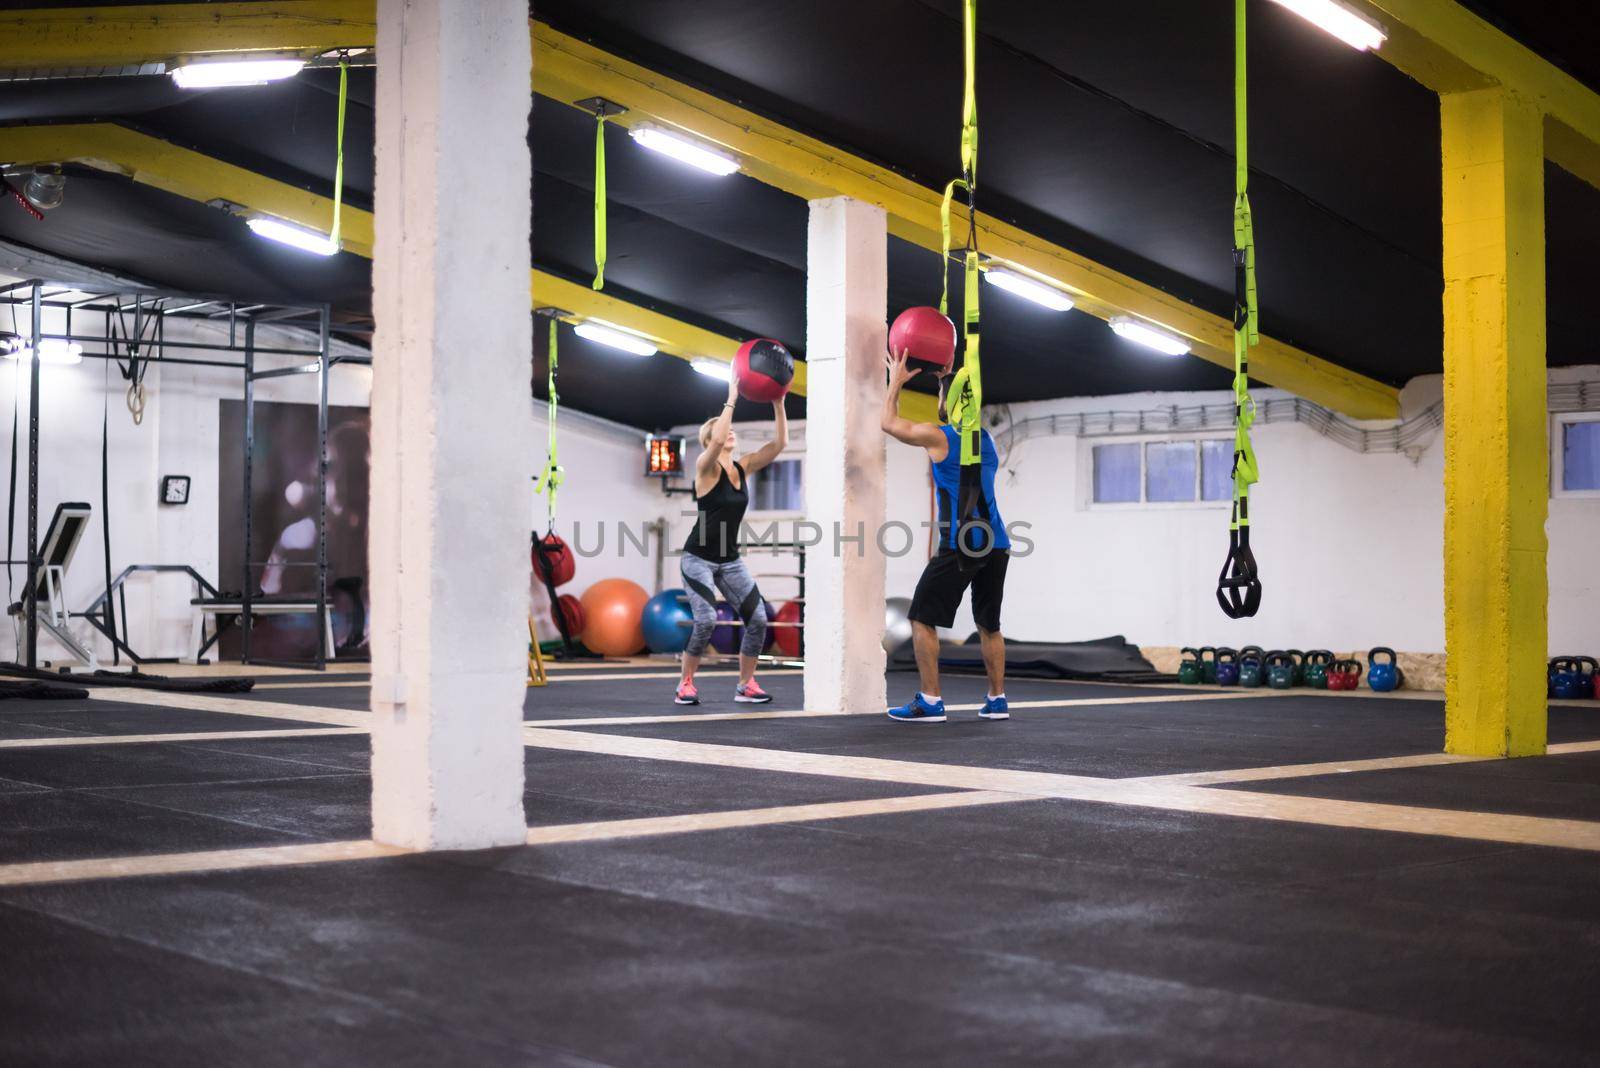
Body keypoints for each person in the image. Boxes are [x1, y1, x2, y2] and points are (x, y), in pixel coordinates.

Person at [879, 348, 1009, 723]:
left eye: (942, 396)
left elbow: (888, 423)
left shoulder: (940, 438)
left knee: (920, 617)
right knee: (990, 624)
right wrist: (946, 380)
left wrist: (897, 382)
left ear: (948, 405)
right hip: (997, 542)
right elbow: (956, 404)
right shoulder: (986, 440)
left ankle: (931, 700)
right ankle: (997, 699)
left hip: (960, 543)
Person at [675, 371, 788, 705]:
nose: (730, 432)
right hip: (697, 559)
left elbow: (779, 445)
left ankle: (746, 684)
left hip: (730, 560)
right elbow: (716, 438)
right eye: (722, 429)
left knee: (758, 619)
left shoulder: (743, 467)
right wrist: (732, 398)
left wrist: (779, 404)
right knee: (707, 618)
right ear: (711, 437)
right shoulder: (704, 467)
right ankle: (685, 683)